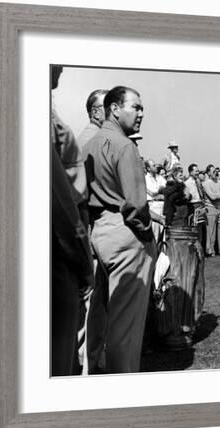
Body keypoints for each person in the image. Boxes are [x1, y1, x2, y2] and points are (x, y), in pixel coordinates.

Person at [84, 86, 156, 373]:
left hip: (98, 230)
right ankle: (121, 392)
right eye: (135, 107)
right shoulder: (125, 145)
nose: (141, 113)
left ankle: (93, 373)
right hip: (125, 233)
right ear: (115, 108)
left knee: (100, 315)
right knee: (125, 326)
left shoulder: (88, 142)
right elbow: (136, 206)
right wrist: (147, 234)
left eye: (141, 108)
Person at [50, 65, 94, 376]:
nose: (60, 67)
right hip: (58, 248)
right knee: (56, 354)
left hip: (58, 242)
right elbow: (60, 198)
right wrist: (81, 258)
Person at [202, 166, 220, 256]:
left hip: (219, 208)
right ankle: (210, 251)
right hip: (210, 208)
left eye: (216, 172)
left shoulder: (219, 183)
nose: (215, 173)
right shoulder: (206, 184)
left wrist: (219, 196)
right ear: (208, 173)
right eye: (213, 172)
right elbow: (212, 196)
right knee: (211, 232)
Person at [145, 158, 167, 243]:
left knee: (164, 234)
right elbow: (152, 194)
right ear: (148, 168)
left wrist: (157, 194)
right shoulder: (145, 179)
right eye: (153, 165)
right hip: (153, 206)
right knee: (155, 233)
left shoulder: (160, 178)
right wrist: (158, 193)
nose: (155, 167)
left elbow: (166, 191)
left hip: (162, 206)